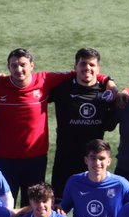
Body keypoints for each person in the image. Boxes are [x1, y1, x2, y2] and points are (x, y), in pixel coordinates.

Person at [0, 47, 113, 205]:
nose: (19, 69)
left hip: (35, 159)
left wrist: (108, 81)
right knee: (5, 207)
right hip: (6, 159)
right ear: (8, 67)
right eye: (14, 65)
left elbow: (82, 72)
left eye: (23, 65)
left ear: (32, 66)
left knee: (34, 206)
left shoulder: (45, 80)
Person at [49, 48, 119, 199]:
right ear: (75, 67)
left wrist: (113, 89)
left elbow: (110, 125)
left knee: (92, 207)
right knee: (60, 206)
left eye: (92, 65)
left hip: (93, 162)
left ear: (98, 69)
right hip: (65, 160)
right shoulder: (62, 89)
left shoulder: (105, 93)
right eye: (83, 64)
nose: (87, 68)